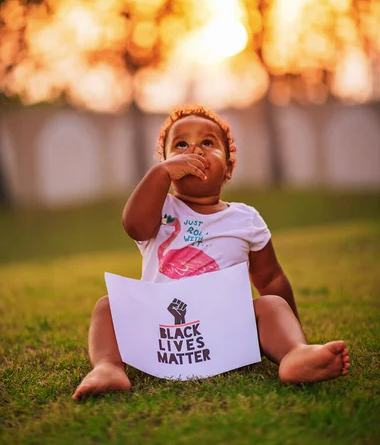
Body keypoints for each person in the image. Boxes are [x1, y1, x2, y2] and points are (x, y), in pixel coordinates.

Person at [73, 104, 350, 400]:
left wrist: (292, 329)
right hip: (164, 333)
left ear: (228, 167)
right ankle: (108, 366)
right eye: (181, 145)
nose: (194, 150)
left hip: (224, 329)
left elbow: (270, 278)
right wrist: (159, 175)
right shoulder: (159, 209)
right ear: (166, 164)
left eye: (207, 142)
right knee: (107, 305)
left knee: (269, 304)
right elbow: (134, 226)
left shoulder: (245, 218)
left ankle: (295, 354)